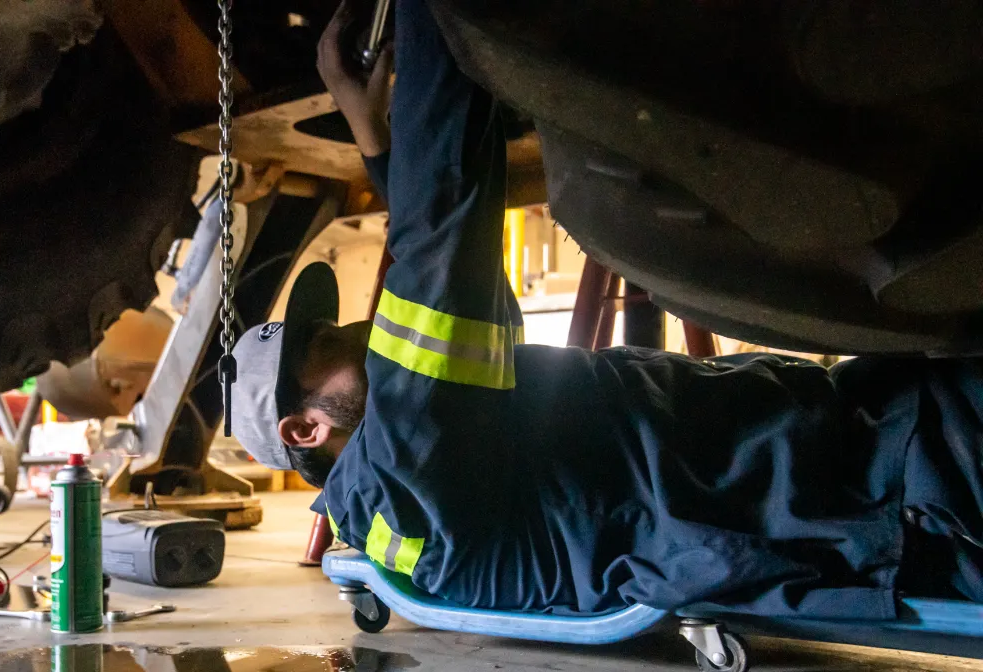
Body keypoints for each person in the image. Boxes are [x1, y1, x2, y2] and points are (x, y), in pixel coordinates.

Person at [229, 0, 983, 618]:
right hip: (900, 494)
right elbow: (439, 240)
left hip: (868, 436)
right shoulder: (402, 469)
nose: (359, 327)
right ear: (306, 426)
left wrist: (373, 136)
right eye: (325, 341)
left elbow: (445, 264)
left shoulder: (426, 455)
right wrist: (430, 18)